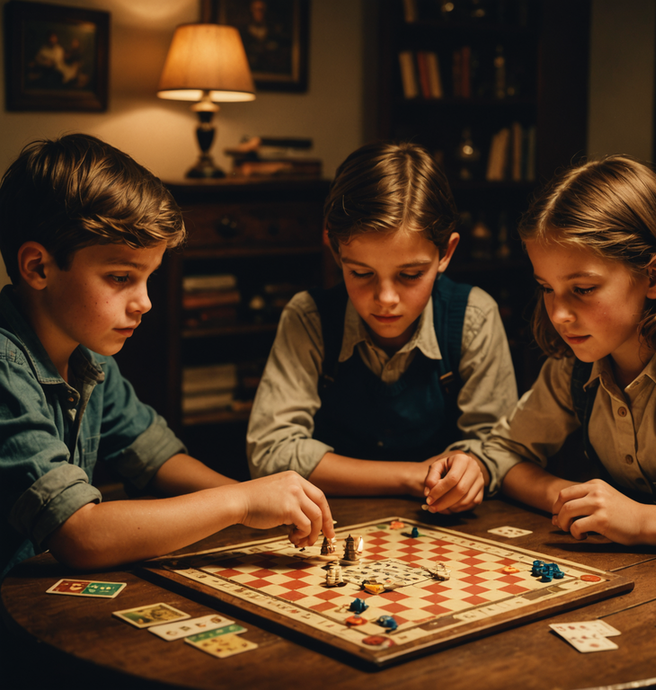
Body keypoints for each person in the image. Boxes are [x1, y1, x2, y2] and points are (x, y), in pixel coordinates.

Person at [0, 134, 334, 581]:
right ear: (39, 268)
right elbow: (81, 535)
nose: (144, 302)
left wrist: (268, 499)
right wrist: (243, 502)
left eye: (148, 278)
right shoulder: (6, 369)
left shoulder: (89, 358)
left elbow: (158, 460)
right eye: (121, 277)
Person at [427, 154, 656, 549]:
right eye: (547, 288)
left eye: (582, 289)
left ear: (654, 276)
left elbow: (634, 521)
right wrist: (576, 500)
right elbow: (502, 452)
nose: (560, 314)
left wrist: (639, 520)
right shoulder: (572, 369)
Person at [247, 141, 518, 512]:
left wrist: (477, 468)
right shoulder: (308, 318)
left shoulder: (474, 316)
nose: (385, 298)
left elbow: (497, 446)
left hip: (443, 524)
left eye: (410, 275)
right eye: (361, 273)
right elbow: (270, 451)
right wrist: (409, 477)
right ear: (335, 250)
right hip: (330, 522)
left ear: (447, 253)